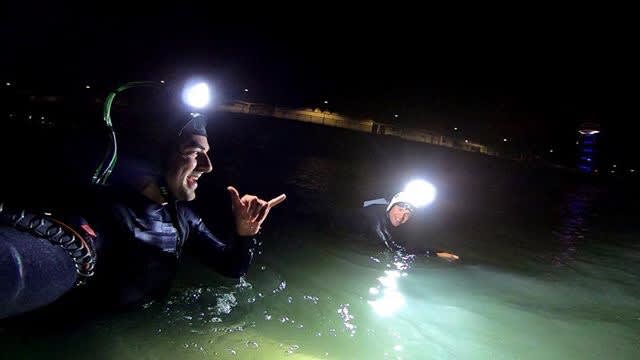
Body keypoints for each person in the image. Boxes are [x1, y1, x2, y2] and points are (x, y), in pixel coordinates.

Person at [0, 85, 286, 320]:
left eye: (207, 153)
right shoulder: (105, 213)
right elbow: (46, 254)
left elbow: (232, 268)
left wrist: (245, 233)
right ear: (154, 155)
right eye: (195, 152)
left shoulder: (181, 217)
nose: (208, 166)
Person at [359, 191, 459, 260]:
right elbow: (392, 247)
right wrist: (437, 254)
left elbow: (410, 243)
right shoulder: (374, 214)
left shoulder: (394, 222)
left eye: (407, 213)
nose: (402, 216)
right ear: (390, 207)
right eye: (400, 209)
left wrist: (440, 251)